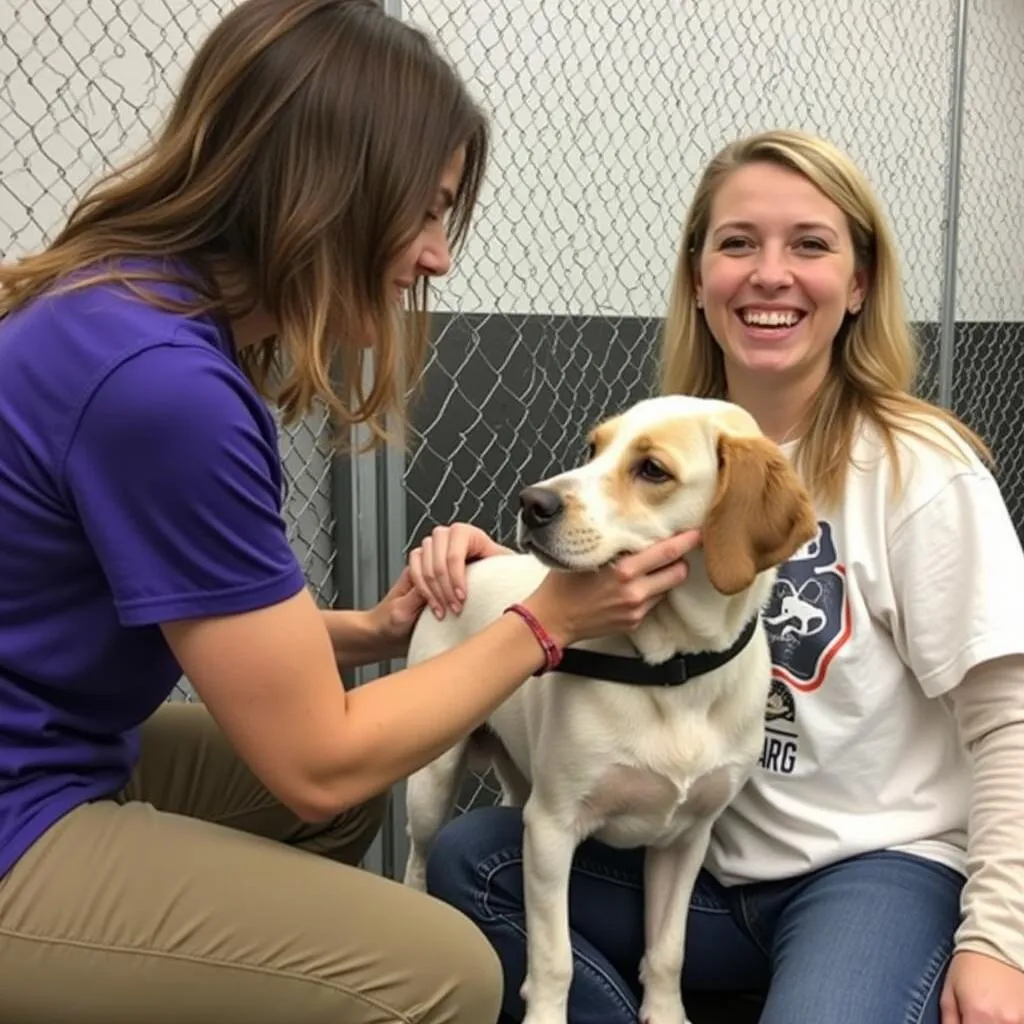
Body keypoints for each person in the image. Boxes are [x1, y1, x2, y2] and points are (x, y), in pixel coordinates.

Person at [0, 1, 700, 1020]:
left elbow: (161, 608)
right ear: (322, 189)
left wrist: (369, 632)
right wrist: (547, 623)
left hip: (50, 741)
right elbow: (318, 761)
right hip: (24, 802)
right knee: (437, 971)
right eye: (424, 210)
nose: (438, 256)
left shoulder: (128, 306)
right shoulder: (162, 385)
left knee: (349, 793)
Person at [416, 129, 1024, 1024]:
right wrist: (500, 566)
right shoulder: (671, 434)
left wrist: (997, 943)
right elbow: (628, 576)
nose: (769, 274)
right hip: (703, 870)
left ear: (858, 284)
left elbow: (1009, 718)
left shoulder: (920, 472)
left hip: (869, 871)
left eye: (809, 245)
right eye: (737, 243)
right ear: (699, 280)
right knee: (472, 859)